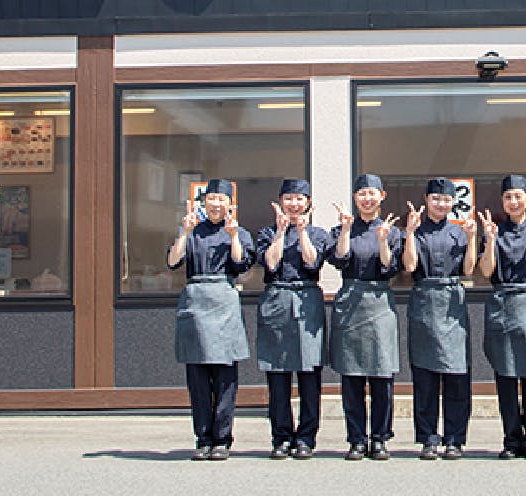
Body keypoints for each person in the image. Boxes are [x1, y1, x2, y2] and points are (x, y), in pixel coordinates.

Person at [166, 178, 253, 461]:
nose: (216, 204)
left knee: (225, 376)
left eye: (221, 199)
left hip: (224, 299)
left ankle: (222, 439)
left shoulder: (238, 231)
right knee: (198, 378)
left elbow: (241, 265)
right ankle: (202, 438)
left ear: (230, 203)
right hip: (195, 300)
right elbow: (172, 262)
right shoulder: (191, 230)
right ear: (204, 202)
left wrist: (233, 236)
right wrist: (184, 233)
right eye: (211, 199)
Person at [478, 175, 526, 460]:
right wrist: (489, 241)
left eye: (518, 196)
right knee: (506, 374)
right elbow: (486, 272)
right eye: (508, 197)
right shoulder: (494, 230)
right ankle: (511, 439)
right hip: (501, 303)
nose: (513, 202)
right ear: (503, 201)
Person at [402, 178, 479, 460]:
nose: (441, 204)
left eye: (446, 200)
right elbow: (409, 266)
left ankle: (455, 439)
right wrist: (409, 233)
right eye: (435, 199)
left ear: (453, 203)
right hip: (423, 301)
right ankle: (428, 439)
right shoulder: (415, 230)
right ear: (426, 200)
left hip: (452, 303)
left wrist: (473, 238)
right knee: (425, 376)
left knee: (457, 375)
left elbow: (469, 269)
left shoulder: (459, 233)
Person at [255, 178, 331, 460]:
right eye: (289, 198)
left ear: (308, 203)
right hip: (276, 300)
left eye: (300, 199)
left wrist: (301, 233)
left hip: (307, 300)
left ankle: (307, 437)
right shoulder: (266, 233)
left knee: (310, 374)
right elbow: (271, 263)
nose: (294, 204)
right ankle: (281, 436)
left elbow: (312, 263)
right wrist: (281, 231)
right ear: (280, 201)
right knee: (278, 374)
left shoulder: (319, 234)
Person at [329, 173, 402, 461]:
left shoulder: (393, 231)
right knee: (352, 376)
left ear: (382, 196)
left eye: (373, 193)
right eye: (362, 193)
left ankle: (380, 438)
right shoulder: (341, 229)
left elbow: (390, 267)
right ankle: (357, 439)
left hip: (380, 300)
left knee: (382, 375)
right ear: (355, 198)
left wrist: (384, 241)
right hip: (350, 300)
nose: (367, 198)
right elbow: (339, 260)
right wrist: (346, 230)